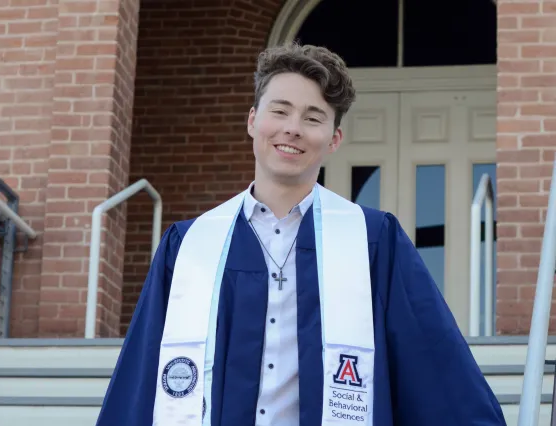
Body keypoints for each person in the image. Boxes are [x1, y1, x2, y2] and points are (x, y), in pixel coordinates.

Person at [95, 42, 506, 426]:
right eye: (280, 111)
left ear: (334, 139)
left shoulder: (372, 241)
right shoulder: (191, 246)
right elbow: (143, 375)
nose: (293, 129)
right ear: (253, 120)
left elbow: (433, 365)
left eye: (313, 118)